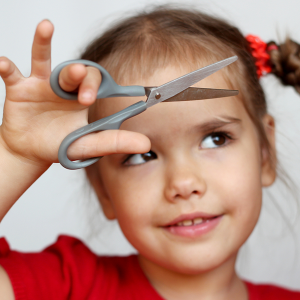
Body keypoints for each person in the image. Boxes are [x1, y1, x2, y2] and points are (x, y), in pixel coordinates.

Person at [0, 6, 300, 300]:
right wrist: (14, 157)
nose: (183, 184)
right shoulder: (68, 284)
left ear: (265, 153)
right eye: (141, 156)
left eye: (215, 139)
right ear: (102, 188)